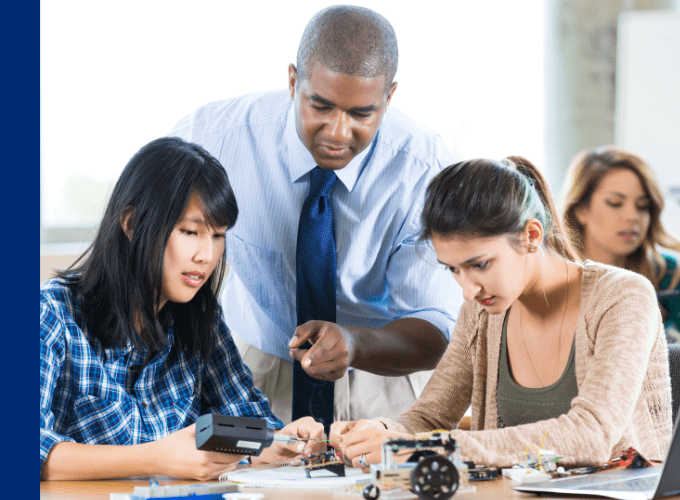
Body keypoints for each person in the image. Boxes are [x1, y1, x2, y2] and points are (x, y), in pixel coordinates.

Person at [168, 5, 461, 428]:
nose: (339, 132)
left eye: (362, 113)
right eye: (320, 106)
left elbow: (439, 326)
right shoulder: (211, 137)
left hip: (386, 377)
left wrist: (355, 344)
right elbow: (145, 241)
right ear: (293, 81)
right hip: (254, 366)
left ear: (389, 97)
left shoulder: (426, 172)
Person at [330, 157, 672, 469]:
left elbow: (592, 435)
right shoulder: (481, 312)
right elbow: (430, 417)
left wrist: (432, 448)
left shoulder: (623, 296)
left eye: (479, 264)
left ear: (531, 236)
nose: (468, 290)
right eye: (453, 269)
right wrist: (381, 431)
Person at [40, 137, 324, 481]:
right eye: (190, 232)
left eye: (218, 235)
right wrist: (154, 459)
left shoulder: (201, 318)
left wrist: (273, 444)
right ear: (131, 224)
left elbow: (245, 416)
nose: (206, 255)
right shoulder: (52, 314)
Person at [560, 146, 680, 344]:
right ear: (581, 209)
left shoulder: (667, 274)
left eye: (643, 206)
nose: (633, 216)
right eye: (615, 203)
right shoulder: (552, 279)